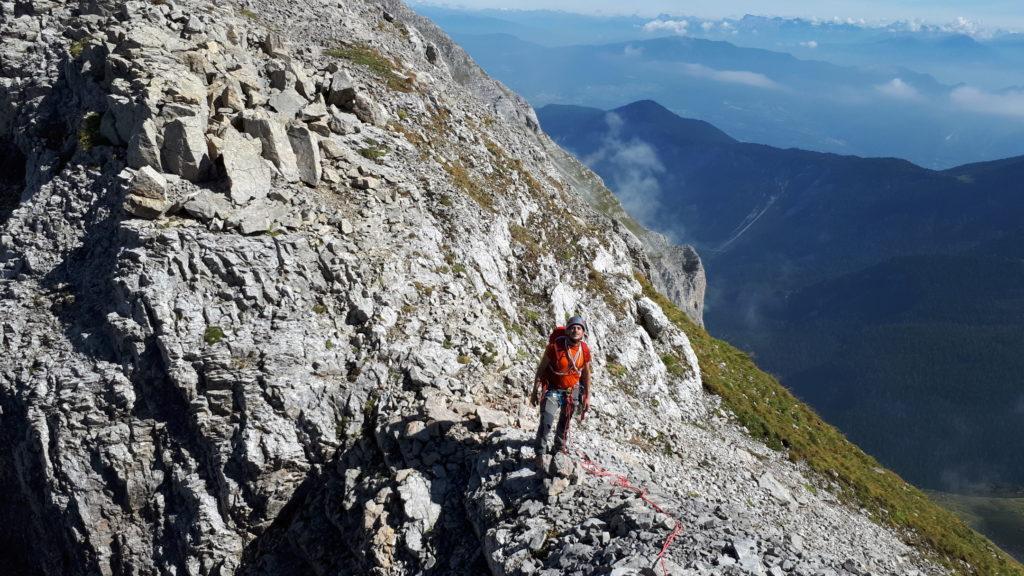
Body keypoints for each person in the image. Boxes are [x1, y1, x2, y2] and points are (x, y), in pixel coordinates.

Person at [530, 315, 592, 464]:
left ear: (583, 332)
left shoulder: (584, 349)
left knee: (565, 422)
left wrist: (587, 396)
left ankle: (558, 448)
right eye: (572, 327)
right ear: (567, 331)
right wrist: (534, 390)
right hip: (553, 388)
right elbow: (542, 368)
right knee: (546, 421)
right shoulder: (554, 347)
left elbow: (586, 373)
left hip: (573, 391)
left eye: (579, 328)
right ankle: (539, 453)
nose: (575, 330)